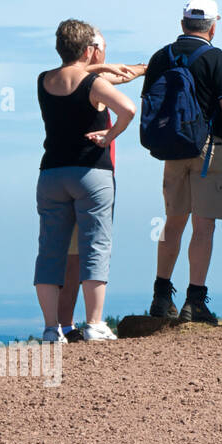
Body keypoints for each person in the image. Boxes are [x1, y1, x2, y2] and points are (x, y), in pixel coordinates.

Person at [34, 20, 135, 342]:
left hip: (51, 173)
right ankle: (94, 323)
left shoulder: (44, 80)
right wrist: (110, 134)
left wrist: (101, 64)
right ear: (89, 50)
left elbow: (73, 72)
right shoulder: (93, 84)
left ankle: (52, 329)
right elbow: (128, 109)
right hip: (90, 171)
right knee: (96, 247)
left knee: (50, 252)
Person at [141, 0, 222, 325]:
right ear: (213, 26)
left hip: (172, 151)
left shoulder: (161, 57)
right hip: (208, 150)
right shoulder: (217, 58)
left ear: (182, 24)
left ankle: (161, 295)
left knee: (173, 222)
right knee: (203, 225)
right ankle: (194, 300)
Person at [54, 55, 147, 340]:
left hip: (64, 176)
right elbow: (120, 78)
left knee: (72, 256)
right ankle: (87, 323)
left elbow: (123, 74)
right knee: (88, 252)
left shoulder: (64, 81)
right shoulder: (89, 82)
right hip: (91, 177)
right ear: (91, 50)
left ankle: (64, 326)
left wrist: (142, 68)